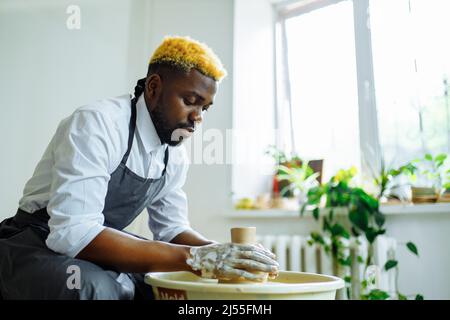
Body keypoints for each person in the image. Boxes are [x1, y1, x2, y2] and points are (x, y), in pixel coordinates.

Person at [0, 36, 279, 300]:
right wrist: (195, 258)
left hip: (96, 244)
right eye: (190, 101)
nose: (198, 117)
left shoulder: (174, 155)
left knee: (167, 286)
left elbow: (171, 230)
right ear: (154, 87)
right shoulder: (98, 124)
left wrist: (226, 254)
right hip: (36, 241)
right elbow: (73, 233)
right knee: (94, 289)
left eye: (205, 108)